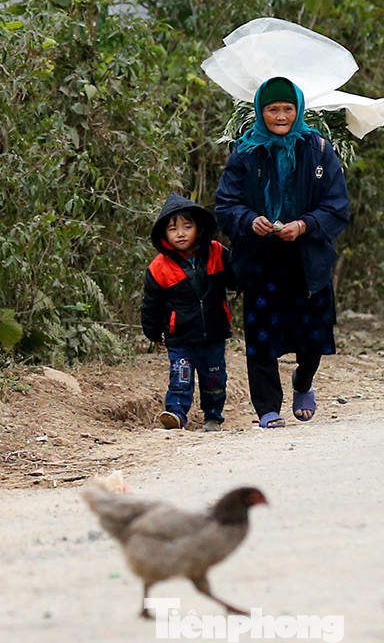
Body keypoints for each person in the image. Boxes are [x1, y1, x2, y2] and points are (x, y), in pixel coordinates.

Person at [215, 76, 349, 429]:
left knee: (313, 336)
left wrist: (304, 225)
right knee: (261, 335)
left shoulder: (318, 148)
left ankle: (303, 382)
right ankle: (267, 408)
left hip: (308, 259)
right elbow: (226, 205)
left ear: (298, 110)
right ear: (260, 111)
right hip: (261, 259)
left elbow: (337, 205)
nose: (280, 116)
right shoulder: (245, 151)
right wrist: (250, 220)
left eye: (287, 108)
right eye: (272, 109)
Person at [141, 193, 235, 431]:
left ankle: (213, 416)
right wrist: (153, 333)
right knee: (180, 377)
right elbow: (151, 303)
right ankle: (176, 414)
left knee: (215, 378)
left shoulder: (217, 252)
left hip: (213, 333)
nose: (180, 233)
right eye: (173, 229)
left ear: (199, 229)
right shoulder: (159, 267)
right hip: (180, 337)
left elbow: (235, 279)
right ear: (164, 235)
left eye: (187, 226)